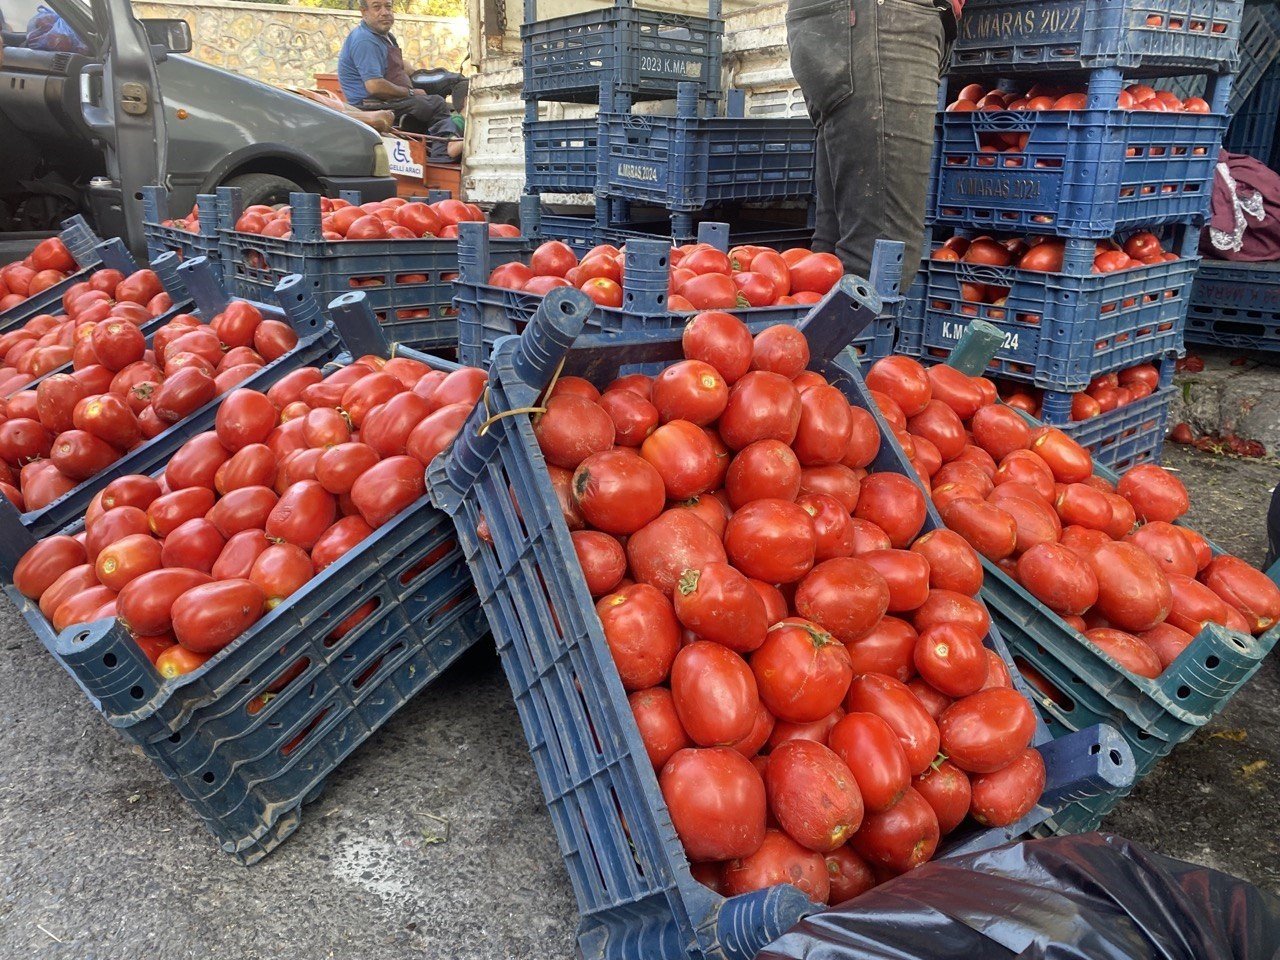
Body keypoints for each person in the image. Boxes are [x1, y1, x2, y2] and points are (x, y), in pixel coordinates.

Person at [787, 0, 962, 280]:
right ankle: (860, 323)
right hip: (884, 23)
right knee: (881, 259)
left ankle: (832, 322)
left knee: (828, 261)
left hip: (849, 22)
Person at [337, 0, 450, 135]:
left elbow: (399, 65)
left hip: (388, 100)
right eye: (377, 7)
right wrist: (411, 93)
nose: (385, 12)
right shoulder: (365, 40)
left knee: (445, 84)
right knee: (435, 104)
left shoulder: (385, 36)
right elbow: (375, 86)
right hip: (370, 106)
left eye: (388, 7)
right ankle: (443, 152)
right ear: (364, 12)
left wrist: (425, 77)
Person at [425, 79, 466, 163]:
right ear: (467, 101)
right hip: (442, 165)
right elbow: (452, 151)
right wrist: (472, 138)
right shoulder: (457, 121)